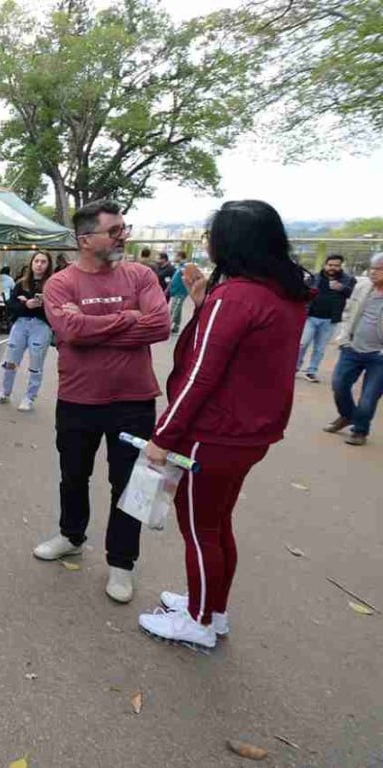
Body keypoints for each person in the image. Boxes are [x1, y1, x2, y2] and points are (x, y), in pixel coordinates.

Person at [138, 200, 310, 649]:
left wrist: (163, 437)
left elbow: (200, 375)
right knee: (217, 523)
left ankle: (198, 620)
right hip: (250, 433)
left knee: (199, 528)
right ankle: (212, 608)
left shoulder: (234, 297)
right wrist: (203, 304)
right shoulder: (284, 293)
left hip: (213, 434)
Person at [34, 200, 170, 603]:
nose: (123, 236)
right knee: (73, 475)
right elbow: (69, 331)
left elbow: (160, 325)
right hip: (78, 400)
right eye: (114, 231)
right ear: (85, 239)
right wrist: (128, 319)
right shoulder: (60, 284)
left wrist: (92, 327)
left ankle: (121, 564)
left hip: (135, 401)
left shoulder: (141, 275)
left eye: (124, 228)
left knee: (130, 486)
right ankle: (71, 535)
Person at [323, 252, 383, 446]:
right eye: (372, 268)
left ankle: (360, 431)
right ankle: (347, 416)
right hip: (352, 348)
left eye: (379, 269)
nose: (374, 273)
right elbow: (348, 311)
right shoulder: (363, 286)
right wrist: (343, 337)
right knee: (339, 385)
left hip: (379, 357)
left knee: (368, 398)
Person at [0, 251, 54, 411]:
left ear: (48, 265)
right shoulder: (21, 284)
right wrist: (25, 305)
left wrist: (41, 305)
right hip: (20, 324)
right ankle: (5, 391)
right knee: (11, 361)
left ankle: (29, 397)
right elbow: (11, 306)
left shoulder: (53, 285)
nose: (39, 265)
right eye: (37, 261)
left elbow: (56, 310)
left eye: (43, 262)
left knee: (36, 363)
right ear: (31, 263)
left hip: (41, 326)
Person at [297, 255, 356, 383]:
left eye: (336, 265)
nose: (333, 268)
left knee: (320, 348)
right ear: (325, 265)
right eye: (330, 265)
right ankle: (295, 367)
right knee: (302, 344)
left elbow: (354, 293)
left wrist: (341, 288)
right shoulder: (314, 277)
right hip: (311, 317)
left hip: (330, 319)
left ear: (341, 266)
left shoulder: (348, 280)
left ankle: (311, 371)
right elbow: (302, 292)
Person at [168, 251, 190, 334]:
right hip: (176, 292)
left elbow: (188, 278)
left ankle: (167, 327)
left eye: (176, 256)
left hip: (181, 292)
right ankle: (176, 327)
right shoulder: (180, 266)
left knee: (175, 309)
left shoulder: (185, 266)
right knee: (178, 309)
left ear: (180, 256)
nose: (174, 258)